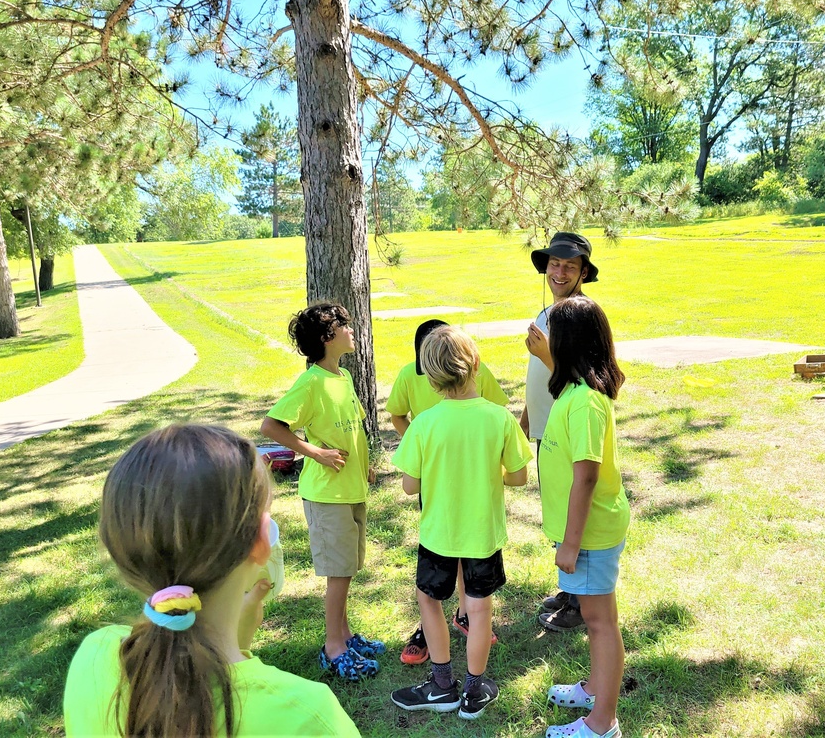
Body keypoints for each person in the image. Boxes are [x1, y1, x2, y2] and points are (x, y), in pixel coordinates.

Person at [63, 424, 361, 737]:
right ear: (262, 541)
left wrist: (238, 641)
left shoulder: (94, 657)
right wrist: (237, 646)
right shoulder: (308, 716)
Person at [389, 326, 531, 720]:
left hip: (439, 534)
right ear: (477, 366)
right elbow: (518, 477)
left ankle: (441, 686)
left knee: (430, 601)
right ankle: (473, 690)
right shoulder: (499, 418)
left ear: (431, 379)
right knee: (480, 609)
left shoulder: (424, 423)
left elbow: (408, 486)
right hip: (483, 535)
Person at [260, 303, 383, 681]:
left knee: (347, 568)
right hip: (327, 494)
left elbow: (354, 430)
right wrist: (314, 452)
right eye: (345, 326)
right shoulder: (310, 382)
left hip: (351, 489)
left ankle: (344, 635)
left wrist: (366, 466)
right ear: (328, 337)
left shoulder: (342, 377)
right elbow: (271, 426)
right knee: (339, 573)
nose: (352, 330)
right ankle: (333, 648)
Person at [539, 296, 628, 738]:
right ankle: (595, 688)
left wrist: (571, 543)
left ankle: (602, 723)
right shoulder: (573, 392)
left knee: (599, 622)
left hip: (591, 533)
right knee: (599, 619)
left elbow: (587, 477)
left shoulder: (587, 402)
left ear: (568, 341)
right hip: (583, 531)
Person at [521, 231, 600, 633]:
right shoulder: (546, 313)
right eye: (554, 263)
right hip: (545, 433)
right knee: (556, 507)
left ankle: (581, 600)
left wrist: (546, 353)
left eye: (570, 265)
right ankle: (570, 590)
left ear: (584, 271)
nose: (560, 270)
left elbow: (582, 378)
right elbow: (538, 380)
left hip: (569, 432)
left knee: (573, 508)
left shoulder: (580, 315)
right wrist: (524, 422)